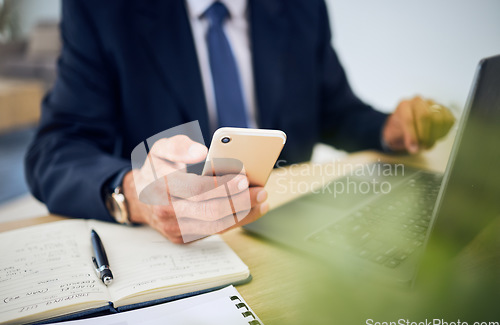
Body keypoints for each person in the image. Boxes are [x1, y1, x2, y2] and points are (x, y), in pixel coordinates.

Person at [25, 0, 454, 243]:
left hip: (286, 231)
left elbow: (335, 110)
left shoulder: (302, 8)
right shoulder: (101, 10)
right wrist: (134, 193)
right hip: (173, 252)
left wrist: (388, 129)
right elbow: (55, 150)